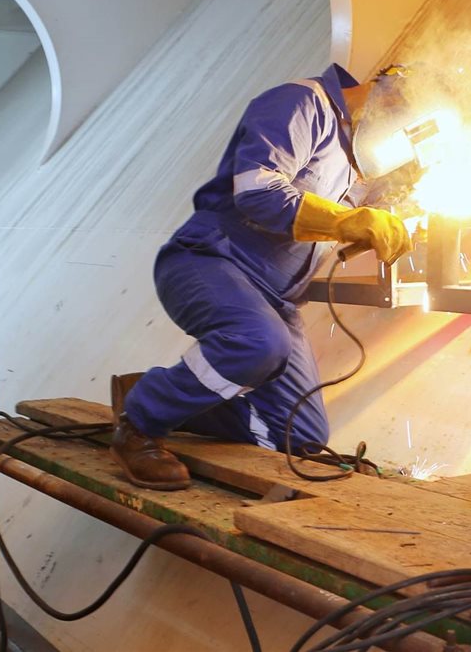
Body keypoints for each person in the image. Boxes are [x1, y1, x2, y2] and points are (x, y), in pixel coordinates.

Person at [110, 63, 415, 490]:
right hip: (210, 261)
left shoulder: (366, 158)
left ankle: (158, 393)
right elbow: (257, 192)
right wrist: (346, 220)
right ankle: (140, 421)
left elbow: (372, 215)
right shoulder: (304, 103)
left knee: (300, 436)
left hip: (277, 299)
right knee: (260, 344)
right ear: (389, 89)